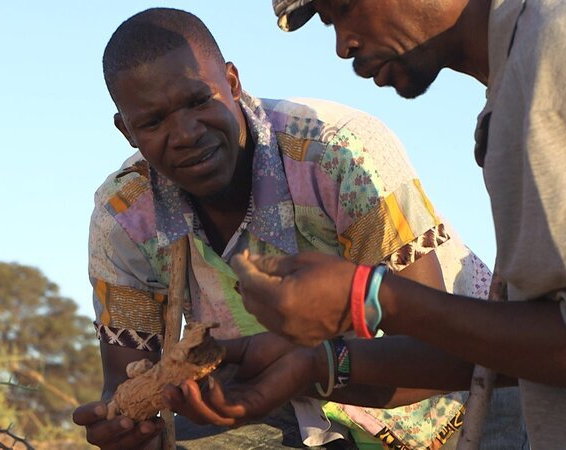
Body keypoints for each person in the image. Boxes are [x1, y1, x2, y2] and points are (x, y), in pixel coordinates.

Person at [72, 7, 515, 449]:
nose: (185, 133)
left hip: (464, 399)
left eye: (197, 101)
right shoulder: (124, 218)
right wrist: (124, 424)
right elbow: (127, 381)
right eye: (153, 121)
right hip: (292, 410)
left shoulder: (339, 155)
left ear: (231, 83)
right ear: (127, 130)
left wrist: (311, 365)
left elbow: (430, 353)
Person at [166, 0, 566, 448]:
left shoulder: (554, 49)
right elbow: (526, 351)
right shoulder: (515, 83)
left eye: (344, 6)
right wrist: (317, 364)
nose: (342, 46)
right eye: (329, 22)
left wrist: (372, 295)